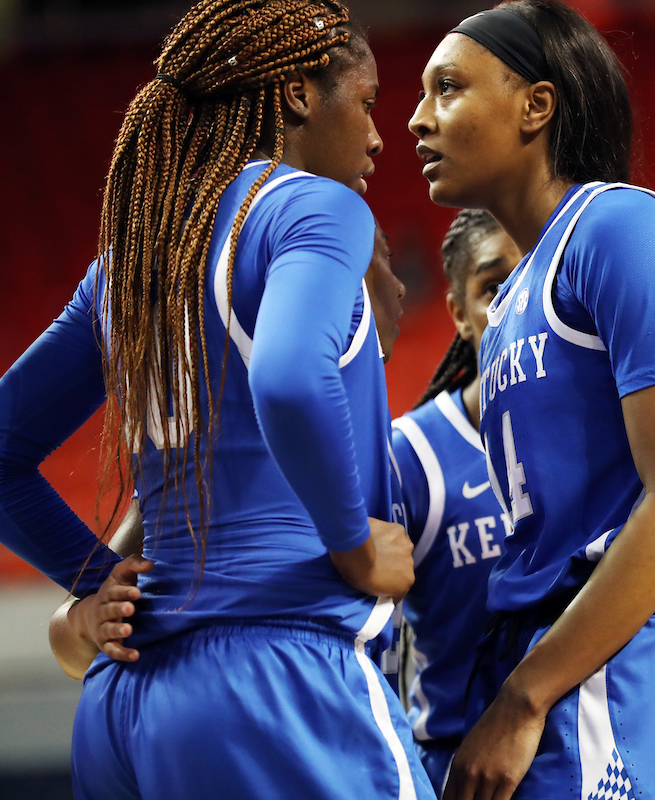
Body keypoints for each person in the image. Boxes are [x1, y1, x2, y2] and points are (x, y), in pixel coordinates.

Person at [0, 0, 435, 797]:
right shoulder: (314, 205)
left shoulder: (130, 263)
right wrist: (355, 543)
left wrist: (95, 585)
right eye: (368, 102)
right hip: (275, 674)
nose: (378, 136)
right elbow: (288, 377)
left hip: (125, 705)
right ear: (300, 92)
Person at [408, 3, 655, 799]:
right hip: (572, 668)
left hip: (615, 675)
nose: (419, 119)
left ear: (537, 105)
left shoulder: (617, 225)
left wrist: (524, 698)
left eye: (448, 88)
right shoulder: (515, 296)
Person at [48, 220, 407, 677]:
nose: (398, 288)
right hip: (282, 695)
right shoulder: (235, 466)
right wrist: (85, 621)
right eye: (383, 260)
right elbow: (69, 639)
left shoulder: (399, 447)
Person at [382, 208, 521, 796]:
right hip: (458, 769)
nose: (518, 300)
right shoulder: (410, 454)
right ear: (460, 315)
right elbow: (371, 646)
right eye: (494, 287)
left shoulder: (611, 431)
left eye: (535, 276)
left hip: (590, 750)